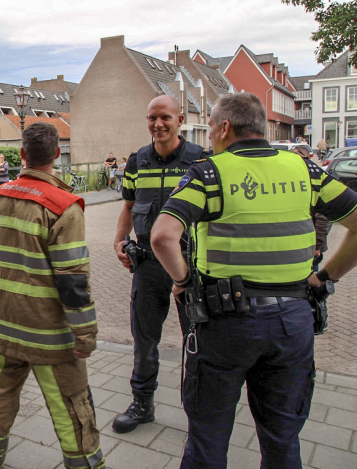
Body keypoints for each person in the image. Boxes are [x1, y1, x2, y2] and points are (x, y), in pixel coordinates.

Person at [151, 92, 357, 469]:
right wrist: (325, 277)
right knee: (281, 439)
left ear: (225, 128)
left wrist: (182, 281)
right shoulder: (305, 169)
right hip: (292, 323)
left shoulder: (210, 172)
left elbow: (162, 236)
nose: (210, 137)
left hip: (224, 324)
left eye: (211, 128)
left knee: (208, 438)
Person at [0, 123, 105, 469]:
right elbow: (73, 282)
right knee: (72, 413)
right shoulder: (64, 207)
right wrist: (86, 335)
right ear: (58, 155)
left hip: (1, 327)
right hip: (50, 337)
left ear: (21, 155)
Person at [111, 95, 208, 433]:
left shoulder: (201, 160)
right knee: (145, 337)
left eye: (164, 117)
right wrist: (119, 240)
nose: (158, 124)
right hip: (149, 265)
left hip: (191, 267)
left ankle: (199, 410)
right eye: (152, 118)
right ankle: (142, 404)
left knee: (196, 338)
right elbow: (128, 204)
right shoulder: (137, 160)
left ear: (179, 120)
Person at [293, 145, 332, 271]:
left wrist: (317, 245)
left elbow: (323, 217)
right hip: (297, 243)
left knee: (310, 277)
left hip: (311, 245)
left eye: (294, 154)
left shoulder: (313, 176)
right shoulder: (293, 176)